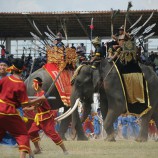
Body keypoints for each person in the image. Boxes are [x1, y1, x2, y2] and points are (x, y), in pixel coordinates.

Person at [0, 58, 46, 158]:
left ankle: (31, 154)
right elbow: (25, 104)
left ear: (12, 68)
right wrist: (40, 99)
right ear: (23, 69)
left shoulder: (4, 80)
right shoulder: (20, 84)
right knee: (23, 136)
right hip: (9, 112)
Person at [28, 77, 68, 155]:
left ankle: (65, 150)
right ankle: (37, 149)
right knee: (31, 132)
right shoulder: (36, 94)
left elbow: (37, 103)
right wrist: (27, 108)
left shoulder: (43, 94)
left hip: (46, 119)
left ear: (37, 84)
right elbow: (36, 107)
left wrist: (29, 103)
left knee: (53, 134)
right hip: (38, 119)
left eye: (33, 83)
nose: (32, 85)